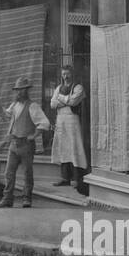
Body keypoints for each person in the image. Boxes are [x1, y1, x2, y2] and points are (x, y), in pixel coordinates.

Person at [0, 75, 50, 208]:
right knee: (8, 173)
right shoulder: (14, 105)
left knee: (27, 173)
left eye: (22, 90)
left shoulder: (33, 106)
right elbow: (4, 117)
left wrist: (34, 135)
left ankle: (27, 198)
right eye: (17, 90)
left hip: (26, 145)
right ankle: (7, 199)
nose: (19, 92)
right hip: (14, 143)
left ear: (27, 90)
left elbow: (45, 123)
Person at [51, 64, 89, 196]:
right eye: (63, 74)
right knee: (63, 147)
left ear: (72, 74)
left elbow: (73, 102)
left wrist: (60, 99)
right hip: (60, 120)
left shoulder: (78, 87)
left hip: (72, 120)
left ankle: (75, 178)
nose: (65, 77)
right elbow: (52, 104)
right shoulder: (58, 88)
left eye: (67, 74)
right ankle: (65, 178)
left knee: (74, 147)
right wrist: (66, 100)